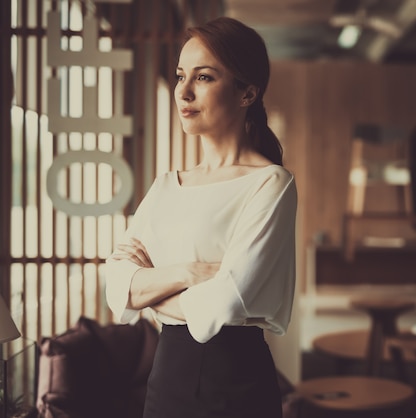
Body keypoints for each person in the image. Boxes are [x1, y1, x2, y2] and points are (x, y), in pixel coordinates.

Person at [104, 16, 297, 418]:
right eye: (179, 76)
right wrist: (189, 273)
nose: (184, 92)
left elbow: (225, 301)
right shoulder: (166, 186)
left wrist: (152, 298)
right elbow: (116, 282)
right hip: (167, 378)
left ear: (247, 93)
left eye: (204, 77)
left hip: (235, 385)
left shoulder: (270, 184)